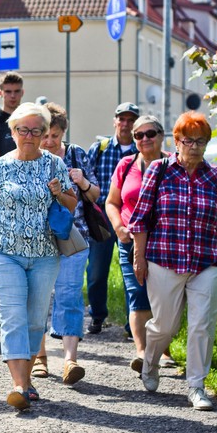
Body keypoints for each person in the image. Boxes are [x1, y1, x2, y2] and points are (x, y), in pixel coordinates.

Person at [0, 102, 77, 410]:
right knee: (13, 316)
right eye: (23, 130)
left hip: (44, 254)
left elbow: (71, 205)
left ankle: (26, 382)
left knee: (35, 320)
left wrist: (58, 192)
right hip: (4, 254)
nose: (29, 135)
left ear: (44, 133)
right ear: (12, 132)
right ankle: (18, 384)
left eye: (36, 130)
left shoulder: (54, 165)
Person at [130, 112, 217, 411]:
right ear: (176, 142)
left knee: (203, 324)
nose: (194, 146)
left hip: (206, 261)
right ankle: (150, 361)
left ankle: (196, 386)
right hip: (165, 258)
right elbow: (140, 219)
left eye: (200, 140)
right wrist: (139, 257)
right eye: (188, 140)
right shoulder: (160, 171)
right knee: (166, 325)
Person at [33, 102, 99, 385]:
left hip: (74, 236)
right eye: (45, 135)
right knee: (36, 297)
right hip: (36, 237)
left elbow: (96, 195)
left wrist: (82, 182)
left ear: (63, 134)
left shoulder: (77, 155)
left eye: (55, 136)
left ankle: (70, 360)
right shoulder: (27, 157)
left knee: (69, 294)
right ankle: (39, 357)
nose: (49, 142)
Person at [104, 115, 174, 374]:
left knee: (165, 298)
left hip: (166, 242)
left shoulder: (173, 165)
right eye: (138, 135)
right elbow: (111, 202)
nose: (145, 139)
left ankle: (163, 350)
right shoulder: (126, 165)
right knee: (137, 293)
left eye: (150, 134)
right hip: (131, 241)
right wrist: (119, 228)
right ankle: (143, 353)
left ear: (161, 135)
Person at [85, 102, 139, 335]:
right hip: (101, 218)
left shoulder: (141, 151)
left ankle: (132, 323)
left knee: (133, 272)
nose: (126, 124)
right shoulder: (100, 149)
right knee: (96, 272)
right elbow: (86, 180)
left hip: (131, 219)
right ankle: (97, 316)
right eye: (122, 119)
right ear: (115, 121)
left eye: (130, 120)